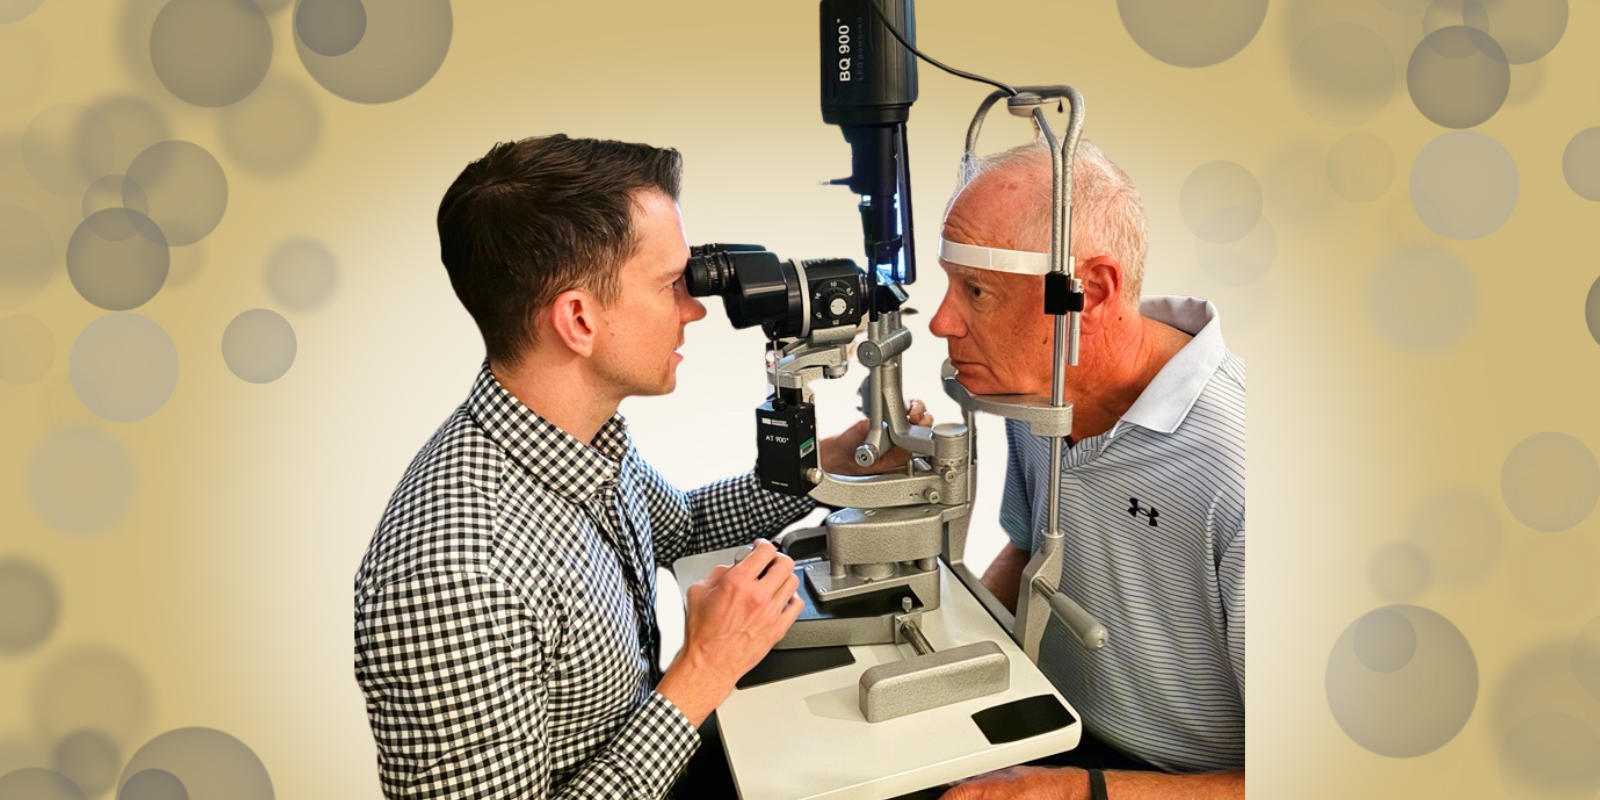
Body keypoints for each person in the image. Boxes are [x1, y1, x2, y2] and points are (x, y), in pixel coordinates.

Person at [352, 134, 920, 799]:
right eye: (669, 285)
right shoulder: (457, 575)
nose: (694, 309)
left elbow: (686, 526)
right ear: (578, 320)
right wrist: (703, 669)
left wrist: (831, 466)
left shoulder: (576, 441)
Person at [929, 139, 1245, 800]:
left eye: (977, 291)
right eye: (951, 283)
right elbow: (1029, 555)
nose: (941, 321)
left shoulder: (1240, 469)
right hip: (1054, 732)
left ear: (1090, 293)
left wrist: (1080, 792)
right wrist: (949, 666)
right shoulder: (1038, 392)